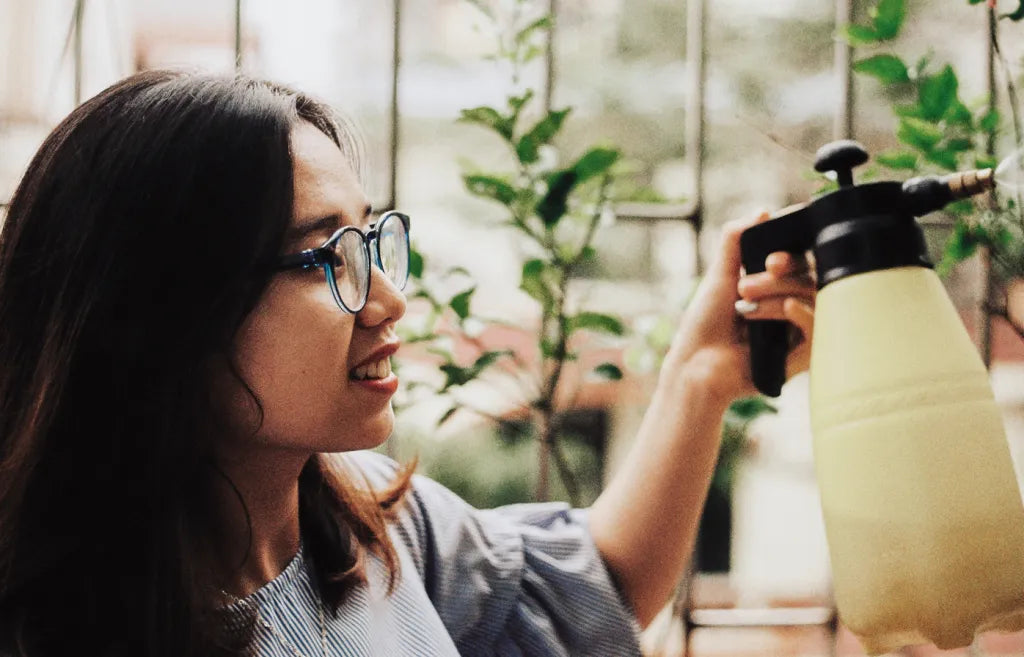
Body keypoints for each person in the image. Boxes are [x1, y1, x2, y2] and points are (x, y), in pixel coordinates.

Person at [0, 70, 815, 657]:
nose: (388, 299)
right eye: (327, 257)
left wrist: (700, 375)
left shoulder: (371, 522)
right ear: (165, 312)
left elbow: (585, 592)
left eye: (374, 239)